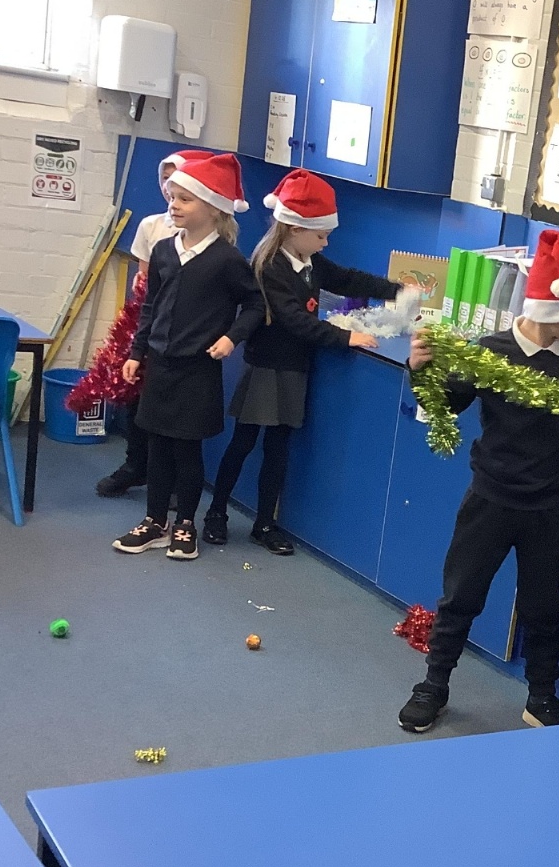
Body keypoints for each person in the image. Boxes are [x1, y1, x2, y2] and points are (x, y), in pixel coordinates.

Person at [398, 230, 559, 733]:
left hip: (550, 503)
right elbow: (445, 406)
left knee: (544, 605)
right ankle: (433, 685)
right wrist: (419, 371)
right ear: (554, 310)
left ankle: (542, 695)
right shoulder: (490, 351)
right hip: (492, 498)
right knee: (461, 598)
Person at [203, 169, 415, 554]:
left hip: (294, 369)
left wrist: (396, 289)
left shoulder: (311, 261)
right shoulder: (270, 266)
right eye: (321, 236)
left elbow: (348, 279)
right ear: (295, 229)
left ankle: (265, 524)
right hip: (266, 367)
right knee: (243, 443)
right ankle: (216, 513)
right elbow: (293, 319)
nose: (325, 242)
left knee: (278, 450)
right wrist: (345, 337)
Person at [112, 153, 263, 561]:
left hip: (197, 370)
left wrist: (231, 338)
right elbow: (151, 306)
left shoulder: (228, 260)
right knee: (157, 446)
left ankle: (185, 524)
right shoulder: (163, 251)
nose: (173, 205)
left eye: (184, 199)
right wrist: (137, 352)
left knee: (186, 450)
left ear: (213, 208)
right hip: (160, 365)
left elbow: (254, 306)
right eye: (172, 197)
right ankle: (155, 522)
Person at [96, 149, 215, 499]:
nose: (168, 187)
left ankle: (176, 481)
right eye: (165, 179)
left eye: (176, 178)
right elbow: (145, 282)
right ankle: (136, 465)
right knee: (139, 398)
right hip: (153, 326)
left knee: (179, 412)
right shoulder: (151, 226)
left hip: (190, 333)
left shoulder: (212, 236)